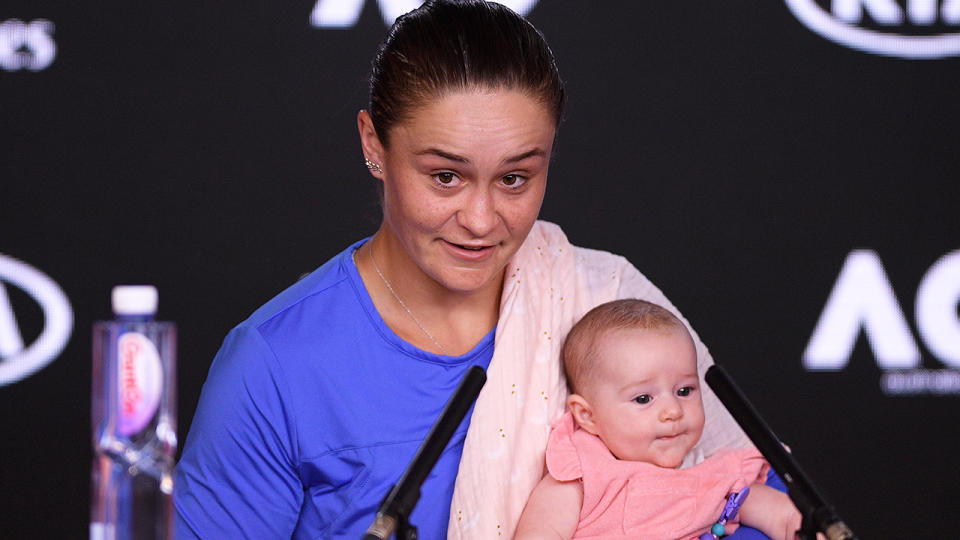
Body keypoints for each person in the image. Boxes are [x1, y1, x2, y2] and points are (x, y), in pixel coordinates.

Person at [173, 1, 762, 538]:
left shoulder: (601, 301)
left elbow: (762, 504)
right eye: (445, 177)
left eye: (514, 179)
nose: (481, 220)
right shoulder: (275, 364)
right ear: (373, 143)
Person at [514, 299, 811, 540]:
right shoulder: (582, 476)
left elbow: (784, 516)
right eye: (643, 399)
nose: (673, 411)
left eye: (684, 391)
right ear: (587, 416)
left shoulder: (714, 473)